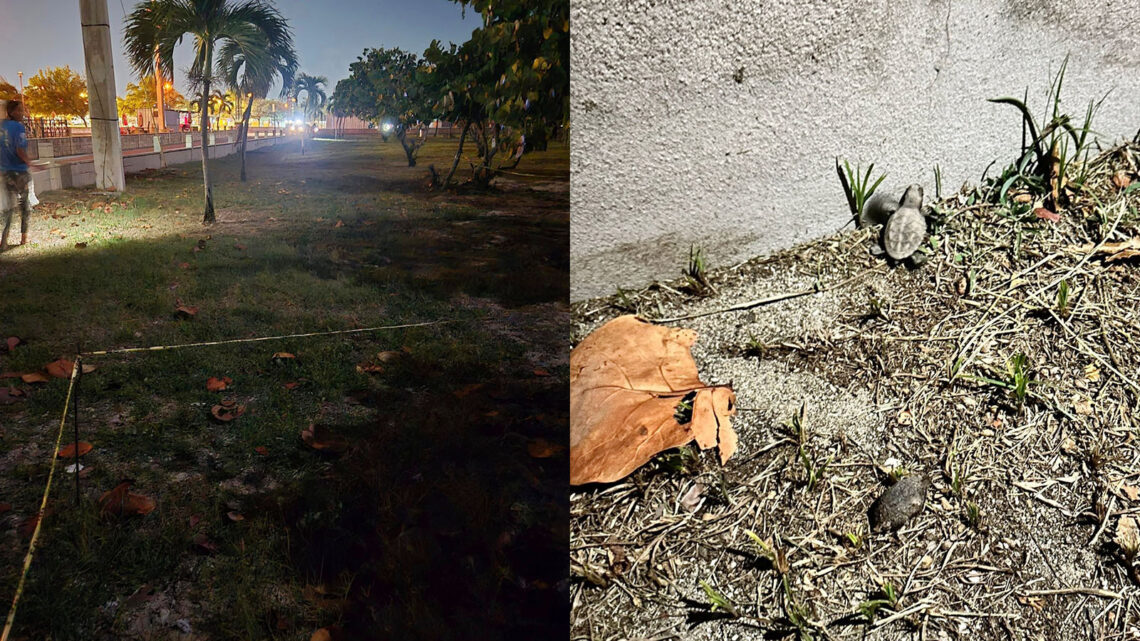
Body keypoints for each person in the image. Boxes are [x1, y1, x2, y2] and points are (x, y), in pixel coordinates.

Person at [0, 99, 31, 250]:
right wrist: (30, 163)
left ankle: (4, 240)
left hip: (5, 171)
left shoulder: (2, 126)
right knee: (24, 204)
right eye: (19, 110)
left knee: (9, 206)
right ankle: (24, 238)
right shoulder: (18, 127)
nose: (22, 113)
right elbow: (20, 149)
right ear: (12, 112)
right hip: (19, 172)